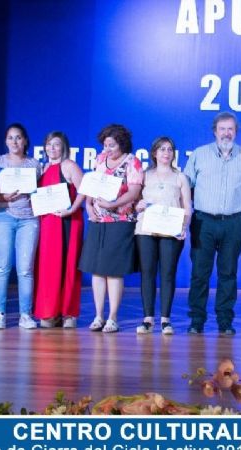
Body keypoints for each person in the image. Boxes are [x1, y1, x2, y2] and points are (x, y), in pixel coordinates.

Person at [183, 112, 241, 336]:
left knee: (228, 273)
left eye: (230, 129)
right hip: (203, 221)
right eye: (222, 129)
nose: (226, 133)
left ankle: (225, 321)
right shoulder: (199, 155)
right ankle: (197, 320)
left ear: (236, 131)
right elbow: (186, 185)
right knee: (199, 273)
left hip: (233, 222)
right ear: (215, 131)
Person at [79, 124, 143, 333]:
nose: (107, 149)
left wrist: (112, 205)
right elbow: (93, 186)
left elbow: (133, 193)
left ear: (122, 144)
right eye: (105, 145)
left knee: (113, 271)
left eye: (112, 145)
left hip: (120, 220)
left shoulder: (132, 162)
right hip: (98, 220)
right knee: (97, 269)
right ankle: (98, 316)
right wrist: (89, 206)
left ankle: (113, 317)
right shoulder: (99, 159)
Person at [134, 137, 192, 335]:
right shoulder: (144, 175)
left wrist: (184, 226)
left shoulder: (180, 177)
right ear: (154, 153)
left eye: (169, 149)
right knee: (147, 273)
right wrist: (137, 205)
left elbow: (187, 207)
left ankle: (166, 320)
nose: (166, 153)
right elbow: (135, 201)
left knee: (167, 274)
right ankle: (148, 318)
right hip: (145, 229)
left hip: (171, 230)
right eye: (161, 149)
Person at [0, 123, 41, 329]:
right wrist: (2, 196)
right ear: (5, 141)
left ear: (25, 140)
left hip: (28, 219)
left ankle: (25, 314)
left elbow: (43, 193)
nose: (15, 142)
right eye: (10, 138)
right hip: (2, 216)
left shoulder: (35, 165)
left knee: (25, 269)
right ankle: (0, 314)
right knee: (1, 267)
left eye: (18, 137)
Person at [34, 131, 85, 329]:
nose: (52, 148)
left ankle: (68, 313)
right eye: (49, 144)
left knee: (69, 265)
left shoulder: (69, 166)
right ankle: (50, 311)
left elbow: (84, 190)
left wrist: (72, 209)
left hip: (68, 221)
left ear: (64, 147)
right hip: (48, 223)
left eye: (56, 144)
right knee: (48, 267)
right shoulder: (43, 168)